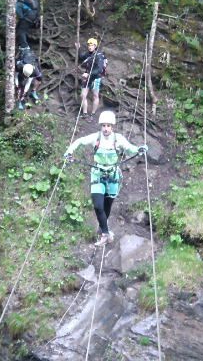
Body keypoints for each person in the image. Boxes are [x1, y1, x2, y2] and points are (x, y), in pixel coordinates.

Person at [64, 111, 148, 247]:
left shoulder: (118, 139)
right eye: (104, 126)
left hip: (113, 176)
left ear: (112, 126)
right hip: (98, 174)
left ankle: (104, 230)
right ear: (101, 126)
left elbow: (130, 149)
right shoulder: (95, 137)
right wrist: (69, 151)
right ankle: (106, 233)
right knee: (98, 206)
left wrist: (139, 149)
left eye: (108, 126)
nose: (106, 128)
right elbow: (79, 141)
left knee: (107, 207)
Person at [78, 37, 106, 121]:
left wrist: (89, 74)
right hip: (87, 77)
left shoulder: (99, 55)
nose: (90, 47)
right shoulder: (88, 54)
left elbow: (99, 69)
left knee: (95, 96)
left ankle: (92, 114)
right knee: (83, 95)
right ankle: (85, 114)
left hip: (95, 78)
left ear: (95, 46)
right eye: (89, 45)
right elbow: (81, 57)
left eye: (92, 45)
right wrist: (78, 49)